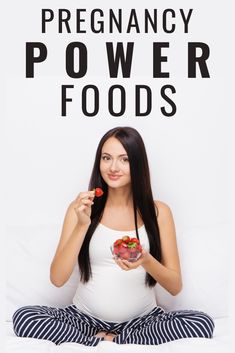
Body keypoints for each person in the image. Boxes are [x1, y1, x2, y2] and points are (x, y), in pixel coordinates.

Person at [12, 126, 214, 346]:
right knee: (25, 317)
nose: (113, 167)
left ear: (137, 164)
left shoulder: (159, 212)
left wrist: (145, 260)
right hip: (83, 318)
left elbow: (175, 286)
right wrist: (82, 225)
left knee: (201, 323)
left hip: (142, 321)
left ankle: (113, 340)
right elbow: (57, 279)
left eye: (124, 159)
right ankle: (105, 341)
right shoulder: (80, 208)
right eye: (106, 158)